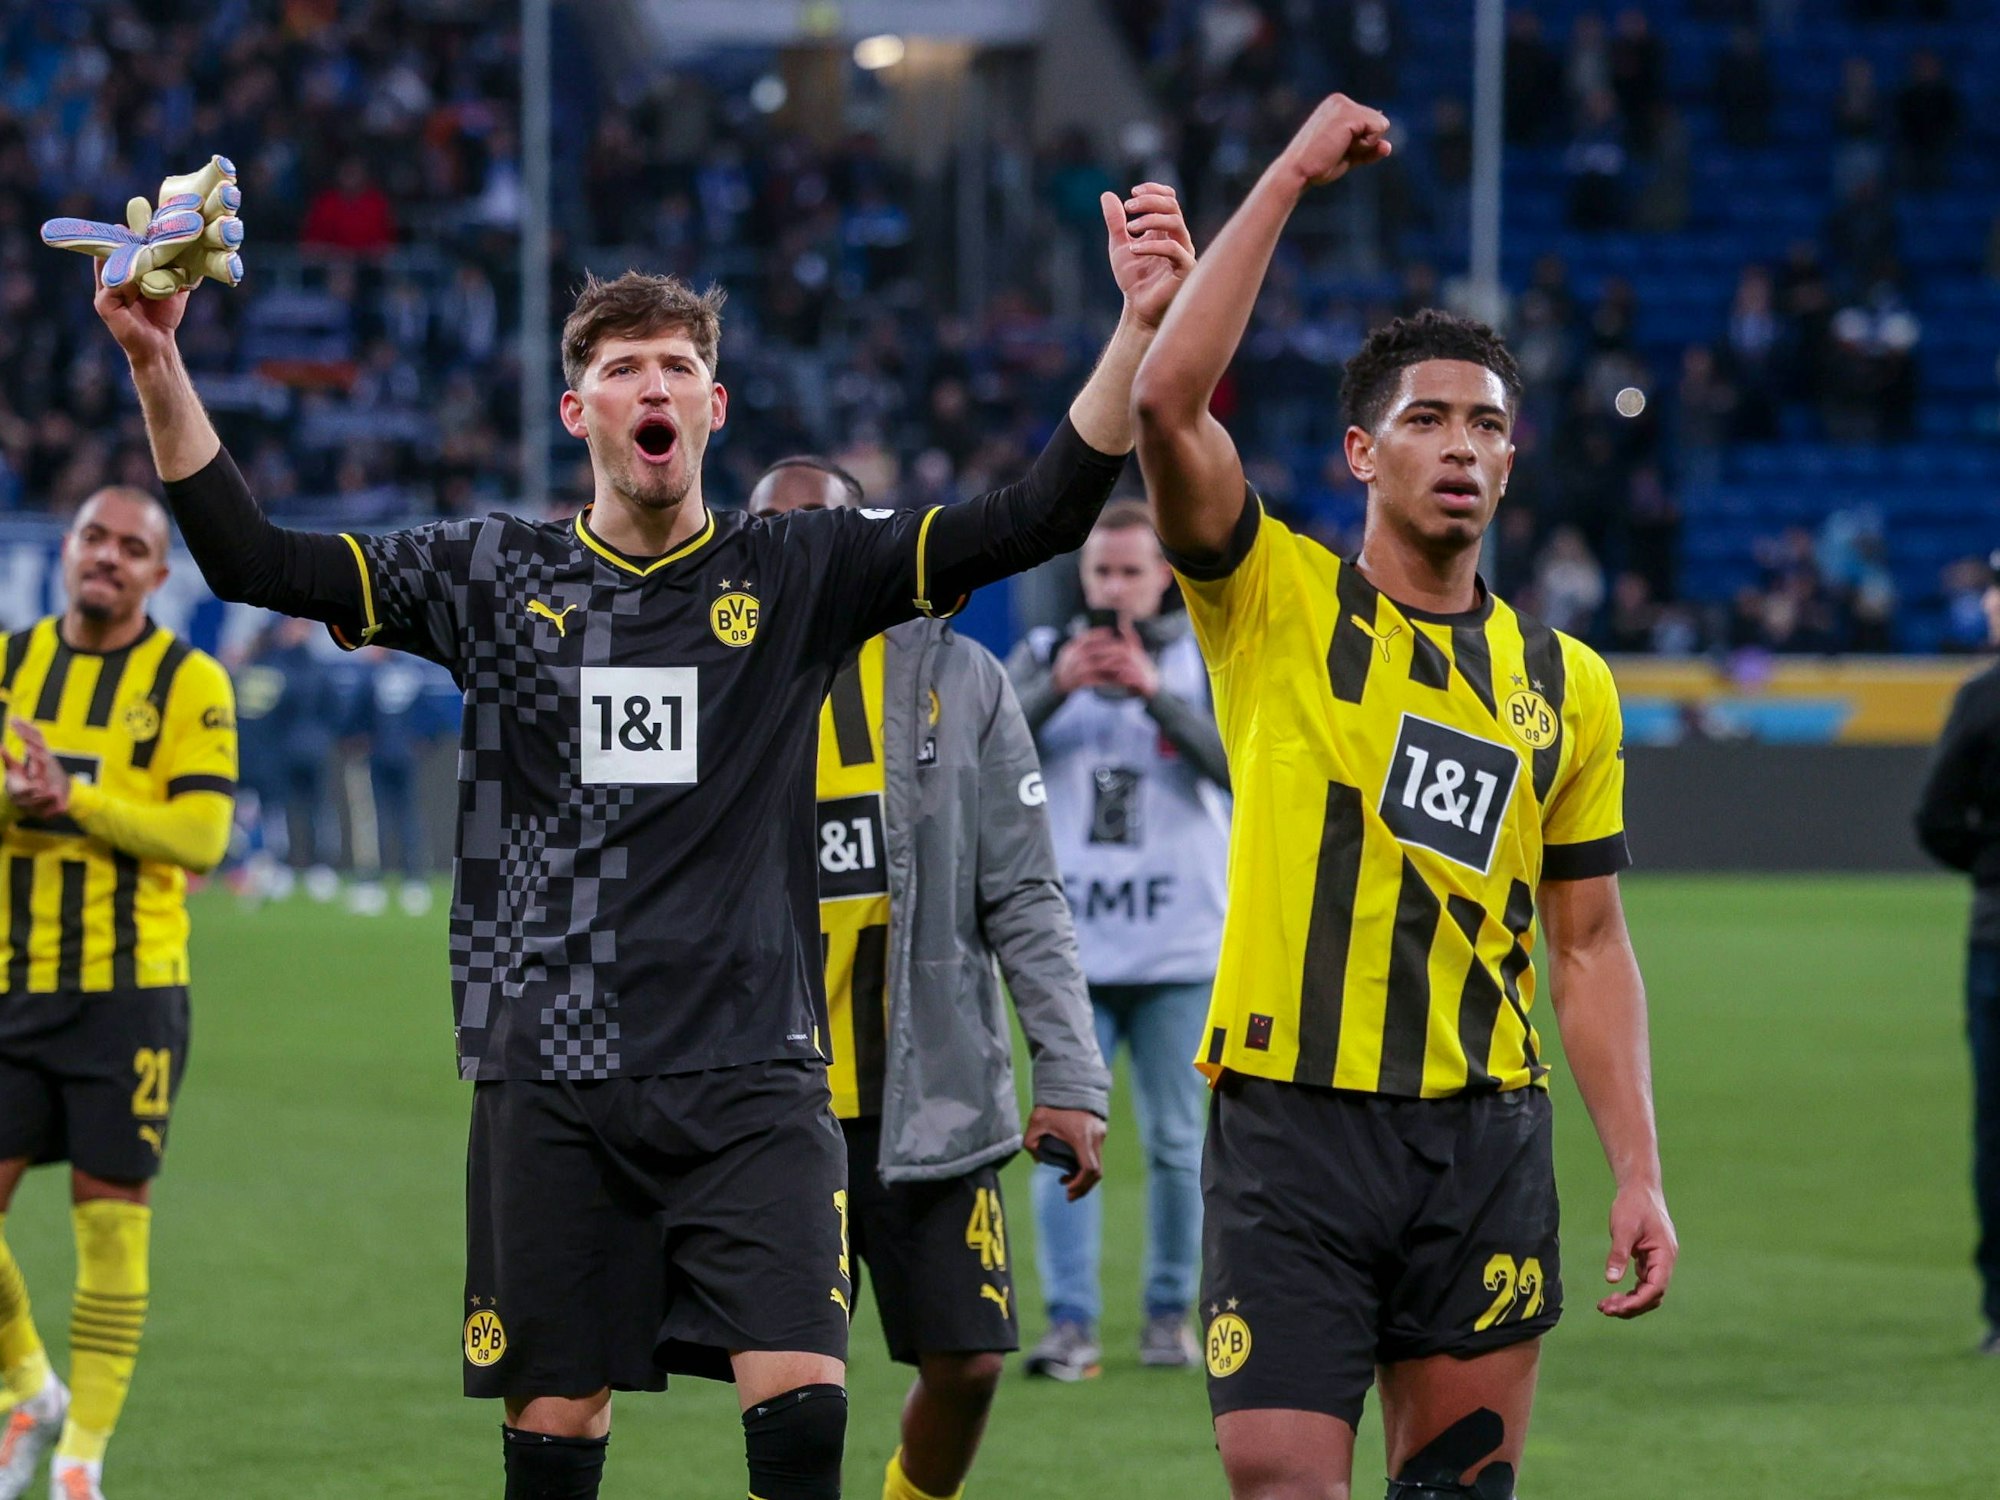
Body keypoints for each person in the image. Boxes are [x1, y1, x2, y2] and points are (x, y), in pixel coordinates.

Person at [89, 168, 1192, 1500]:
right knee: (555, 1434)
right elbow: (254, 559)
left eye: (678, 366)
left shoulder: (795, 569)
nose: (653, 386)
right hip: (554, 1075)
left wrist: (1135, 331)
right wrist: (155, 360)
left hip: (753, 1070)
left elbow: (1038, 514)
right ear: (581, 410)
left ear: (715, 406)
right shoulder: (491, 575)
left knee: (800, 1412)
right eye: (624, 368)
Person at [1130, 94, 1677, 1500]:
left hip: (1482, 1135)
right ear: (1363, 454)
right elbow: (1165, 405)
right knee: (1282, 1481)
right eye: (1425, 419)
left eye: (1486, 425)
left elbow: (1591, 941)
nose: (1461, 445)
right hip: (1293, 1126)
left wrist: (1637, 1170)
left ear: (1511, 459)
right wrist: (1295, 174)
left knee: (1460, 1491)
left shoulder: (1567, 683)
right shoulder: (1275, 600)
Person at [747, 455, 1110, 1500]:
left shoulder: (962, 677)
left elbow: (1026, 895)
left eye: (825, 524)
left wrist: (1071, 1078)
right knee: (792, 1397)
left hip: (931, 1097)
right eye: (778, 530)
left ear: (867, 535)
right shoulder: (718, 671)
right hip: (771, 1104)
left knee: (969, 1366)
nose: (803, 548)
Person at [0, 487, 237, 1500]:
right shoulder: (9, 667)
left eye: (130, 547)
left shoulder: (190, 684)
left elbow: (200, 838)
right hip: (10, 985)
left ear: (156, 575)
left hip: (129, 994)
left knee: (110, 1221)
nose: (107, 556)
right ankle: (27, 1385)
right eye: (93, 537)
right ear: (67, 551)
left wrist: (74, 799)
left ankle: (81, 1461)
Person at [1006, 501, 1229, 1378]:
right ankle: (1070, 1325)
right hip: (1069, 956)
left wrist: (1156, 697)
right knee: (1063, 1141)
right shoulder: (1039, 659)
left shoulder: (1202, 660)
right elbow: (976, 759)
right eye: (1102, 572)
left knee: (1180, 1144)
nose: (1115, 588)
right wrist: (1059, 684)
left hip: (1180, 949)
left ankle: (1171, 1317)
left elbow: (1244, 768)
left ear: (1165, 576)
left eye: (1132, 572)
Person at [1912, 551, 2000, 1355]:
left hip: (1995, 939)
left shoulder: (1981, 701)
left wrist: (1988, 866)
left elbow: (1936, 819)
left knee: (1996, 1128)